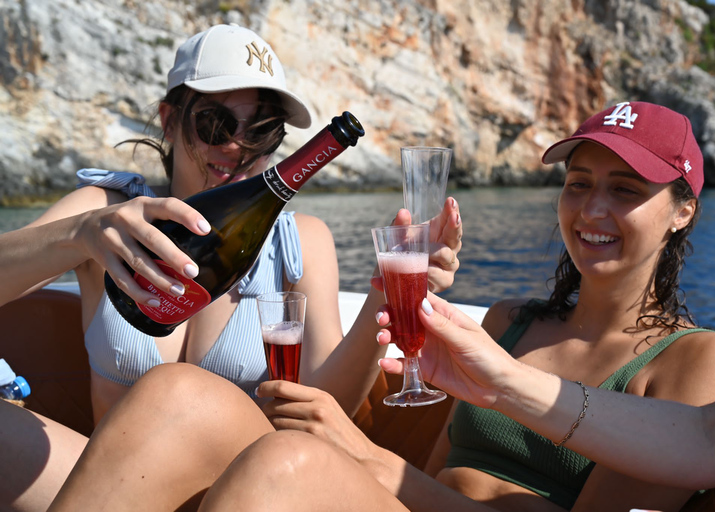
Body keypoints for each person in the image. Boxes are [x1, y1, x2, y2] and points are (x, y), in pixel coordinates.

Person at [48, 101, 715, 512]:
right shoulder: (511, 322)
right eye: (578, 183)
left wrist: (368, 458)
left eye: (626, 190)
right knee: (177, 394)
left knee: (285, 467)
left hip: (400, 493)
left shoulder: (697, 361)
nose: (593, 208)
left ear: (684, 211)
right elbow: (438, 472)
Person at [0, 23, 462, 511]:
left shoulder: (298, 239)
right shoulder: (109, 215)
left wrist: (387, 295)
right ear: (169, 120)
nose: (238, 147)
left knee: (179, 393)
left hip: (234, 495)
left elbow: (327, 405)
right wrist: (79, 234)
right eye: (216, 125)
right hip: (108, 485)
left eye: (262, 131)